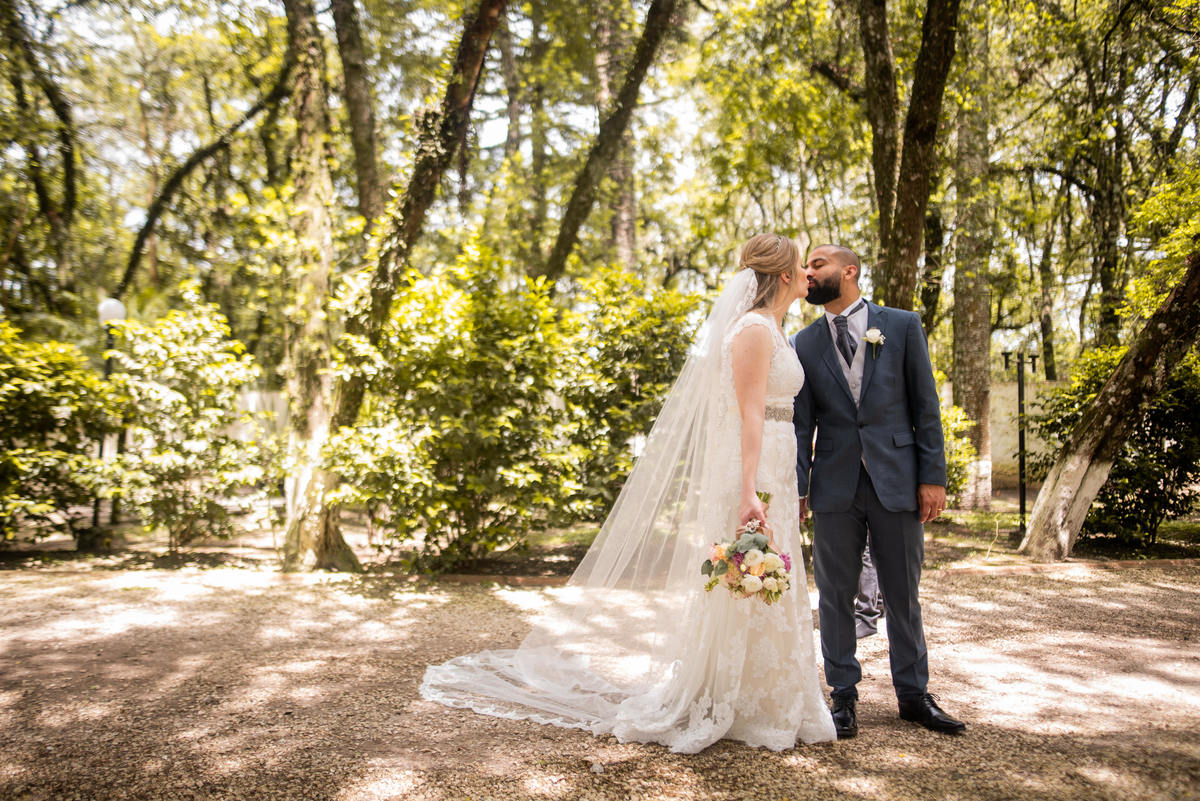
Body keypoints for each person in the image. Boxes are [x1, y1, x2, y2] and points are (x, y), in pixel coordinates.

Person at [420, 234, 836, 753]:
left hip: (777, 463)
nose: (808, 273)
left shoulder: (776, 328)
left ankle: (770, 693)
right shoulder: (752, 329)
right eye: (801, 265)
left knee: (769, 572)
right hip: (755, 471)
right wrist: (750, 490)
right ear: (781, 276)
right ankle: (730, 695)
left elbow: (775, 412)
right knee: (744, 574)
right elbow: (749, 413)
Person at [791, 244, 965, 738]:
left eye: (816, 264)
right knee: (834, 596)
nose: (807, 272)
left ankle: (913, 696)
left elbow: (925, 407)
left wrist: (933, 477)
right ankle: (842, 697)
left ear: (849, 271)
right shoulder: (803, 342)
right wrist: (798, 488)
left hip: (898, 479)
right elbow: (802, 426)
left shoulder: (903, 325)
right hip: (834, 487)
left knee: (902, 594)